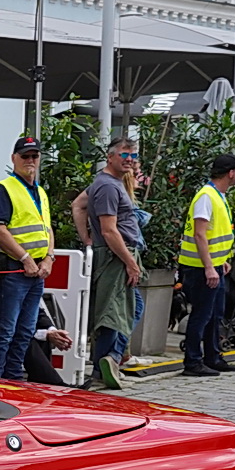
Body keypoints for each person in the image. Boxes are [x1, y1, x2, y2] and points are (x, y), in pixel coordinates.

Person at [0, 136, 54, 381]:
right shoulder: (6, 188)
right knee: (5, 330)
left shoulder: (41, 192)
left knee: (25, 332)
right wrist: (25, 258)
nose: (30, 160)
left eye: (34, 156)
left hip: (36, 271)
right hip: (15, 269)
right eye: (25, 156)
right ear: (14, 158)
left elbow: (47, 229)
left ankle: (13, 380)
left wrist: (49, 259)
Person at [79, 139, 145, 387]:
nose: (129, 159)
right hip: (115, 256)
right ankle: (105, 362)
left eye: (133, 155)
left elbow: (78, 205)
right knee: (111, 313)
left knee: (128, 308)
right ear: (110, 157)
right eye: (124, 154)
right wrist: (130, 262)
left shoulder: (109, 183)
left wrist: (86, 237)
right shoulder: (107, 186)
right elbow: (109, 230)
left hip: (116, 254)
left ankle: (110, 359)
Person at [178, 154, 235, 377]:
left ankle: (212, 356)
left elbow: (212, 234)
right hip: (199, 268)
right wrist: (208, 267)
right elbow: (200, 234)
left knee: (214, 314)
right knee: (202, 315)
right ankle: (193, 361)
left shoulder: (216, 195)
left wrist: (219, 261)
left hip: (212, 266)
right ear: (231, 173)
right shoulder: (207, 196)